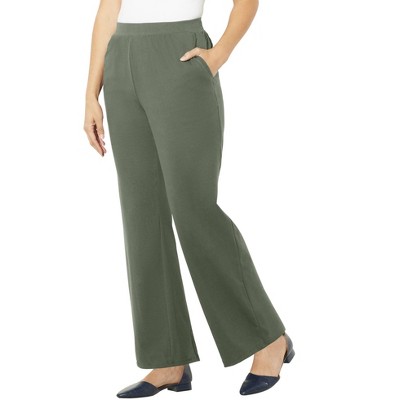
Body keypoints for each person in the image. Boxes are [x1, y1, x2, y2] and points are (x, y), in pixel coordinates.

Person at [83, 0, 295, 397]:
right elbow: (109, 9)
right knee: (141, 215)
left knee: (193, 208)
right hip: (121, 60)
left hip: (179, 56)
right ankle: (168, 360)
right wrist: (90, 94)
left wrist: (219, 54)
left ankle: (268, 339)